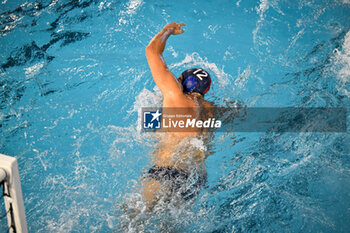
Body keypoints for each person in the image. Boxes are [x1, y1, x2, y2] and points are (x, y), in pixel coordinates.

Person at [143, 22, 214, 209]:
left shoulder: (176, 95)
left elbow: (151, 51)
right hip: (196, 179)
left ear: (182, 83)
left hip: (167, 171)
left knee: (132, 218)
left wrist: (167, 30)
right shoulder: (212, 111)